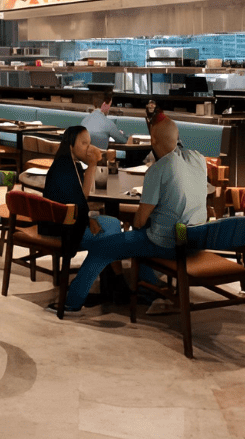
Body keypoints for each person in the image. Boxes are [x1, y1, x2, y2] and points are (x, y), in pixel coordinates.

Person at [56, 116, 208, 315]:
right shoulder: (199, 159)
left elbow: (139, 221)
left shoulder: (158, 170)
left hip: (170, 243)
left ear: (153, 141)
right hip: (196, 240)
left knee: (104, 247)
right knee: (145, 234)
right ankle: (148, 289)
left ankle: (71, 302)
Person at [41, 126, 122, 304]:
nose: (89, 148)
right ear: (71, 145)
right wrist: (88, 220)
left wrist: (92, 165)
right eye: (84, 143)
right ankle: (108, 285)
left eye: (89, 143)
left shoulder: (73, 164)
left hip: (71, 220)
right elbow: (74, 204)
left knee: (114, 224)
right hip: (61, 227)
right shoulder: (63, 168)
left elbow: (81, 197)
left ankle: (113, 281)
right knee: (107, 242)